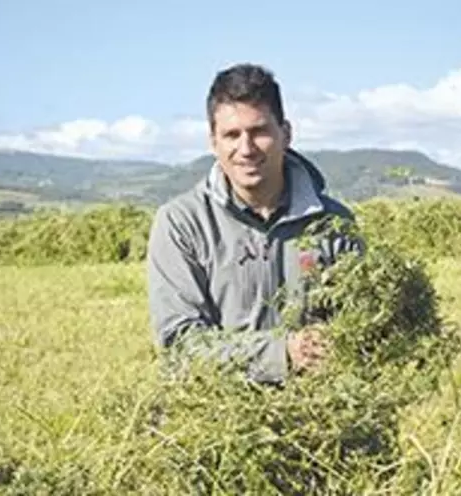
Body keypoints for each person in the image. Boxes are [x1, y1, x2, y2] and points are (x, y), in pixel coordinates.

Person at [146, 63, 363, 385]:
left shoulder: (333, 223)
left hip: (322, 412)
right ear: (213, 142)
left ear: (286, 133)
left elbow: (363, 325)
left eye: (259, 131)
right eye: (232, 135)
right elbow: (180, 342)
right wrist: (282, 353)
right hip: (220, 416)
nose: (246, 149)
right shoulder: (181, 223)